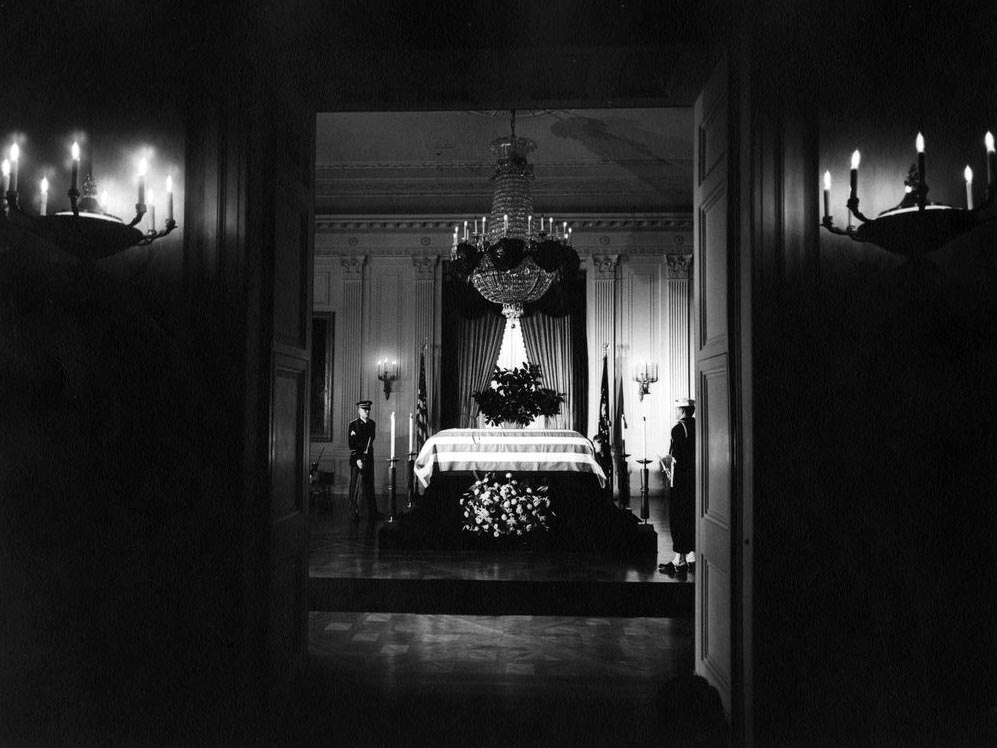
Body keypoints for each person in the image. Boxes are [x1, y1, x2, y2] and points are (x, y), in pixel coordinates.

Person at [659, 398, 695, 575]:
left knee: (678, 517)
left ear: (682, 410)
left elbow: (676, 456)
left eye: (677, 409)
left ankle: (679, 559)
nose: (675, 413)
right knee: (693, 515)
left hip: (681, 481)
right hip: (697, 479)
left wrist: (669, 468)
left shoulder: (678, 429)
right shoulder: (698, 426)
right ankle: (692, 555)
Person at [348, 400, 384, 521]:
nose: (367, 411)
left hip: (368, 458)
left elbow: (370, 440)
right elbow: (352, 444)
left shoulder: (372, 424)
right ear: (359, 410)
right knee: (355, 486)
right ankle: (354, 512)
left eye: (368, 409)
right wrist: (358, 459)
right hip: (357, 459)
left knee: (369, 485)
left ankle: (373, 512)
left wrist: (365, 454)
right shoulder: (353, 425)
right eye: (364, 409)